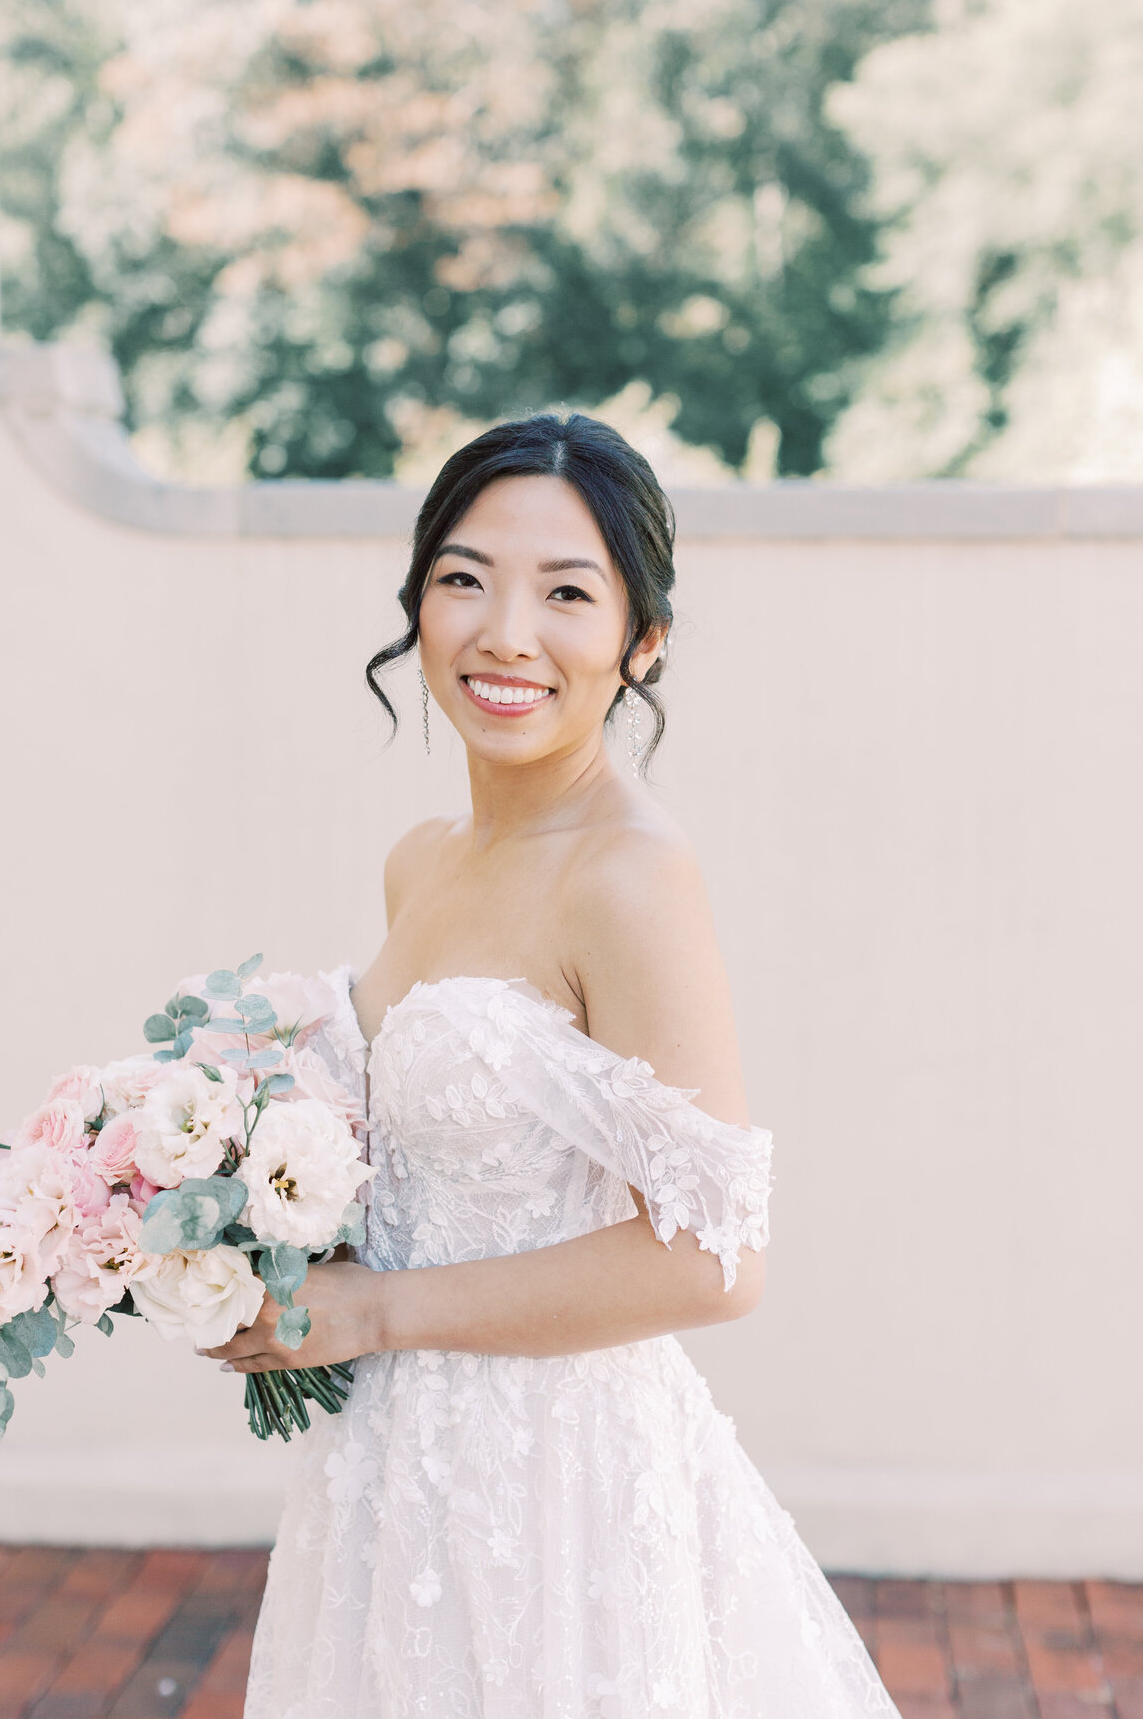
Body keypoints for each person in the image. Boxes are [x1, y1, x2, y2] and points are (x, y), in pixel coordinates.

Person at [212, 413, 901, 1717]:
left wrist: (381, 1312)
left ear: (643, 641)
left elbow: (714, 1259)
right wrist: (232, 1227)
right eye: (464, 579)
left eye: (567, 593)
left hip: (555, 1490)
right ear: (416, 604)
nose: (506, 633)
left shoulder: (631, 878)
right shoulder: (422, 857)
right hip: (387, 1471)